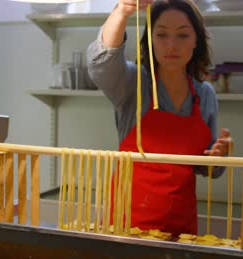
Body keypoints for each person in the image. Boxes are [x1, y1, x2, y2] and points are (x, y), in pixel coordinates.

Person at [86, 0, 233, 236]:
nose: (171, 45)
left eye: (183, 36)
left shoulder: (204, 94)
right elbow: (101, 64)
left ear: (196, 41)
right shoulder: (133, 83)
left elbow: (207, 167)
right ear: (151, 39)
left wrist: (219, 156)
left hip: (181, 230)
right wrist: (122, 10)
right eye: (162, 35)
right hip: (127, 228)